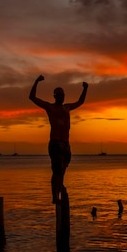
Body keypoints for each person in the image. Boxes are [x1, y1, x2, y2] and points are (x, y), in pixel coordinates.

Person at [29, 75, 88, 204]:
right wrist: (37, 81)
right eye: (59, 95)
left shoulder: (67, 108)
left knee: (63, 170)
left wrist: (85, 89)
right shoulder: (50, 107)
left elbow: (80, 102)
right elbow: (32, 97)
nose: (61, 97)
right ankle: (54, 196)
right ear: (55, 96)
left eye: (63, 95)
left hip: (66, 144)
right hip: (56, 143)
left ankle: (60, 189)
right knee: (56, 170)